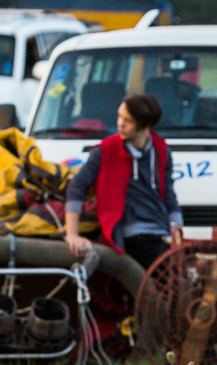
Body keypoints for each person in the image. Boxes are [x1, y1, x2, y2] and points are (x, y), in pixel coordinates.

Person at [64, 92, 183, 271]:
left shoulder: (162, 151)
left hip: (159, 232)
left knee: (184, 269)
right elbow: (76, 187)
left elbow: (169, 195)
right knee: (165, 270)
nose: (120, 123)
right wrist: (72, 234)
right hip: (126, 233)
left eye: (128, 120)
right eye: (120, 116)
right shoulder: (104, 150)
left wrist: (176, 230)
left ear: (145, 126)